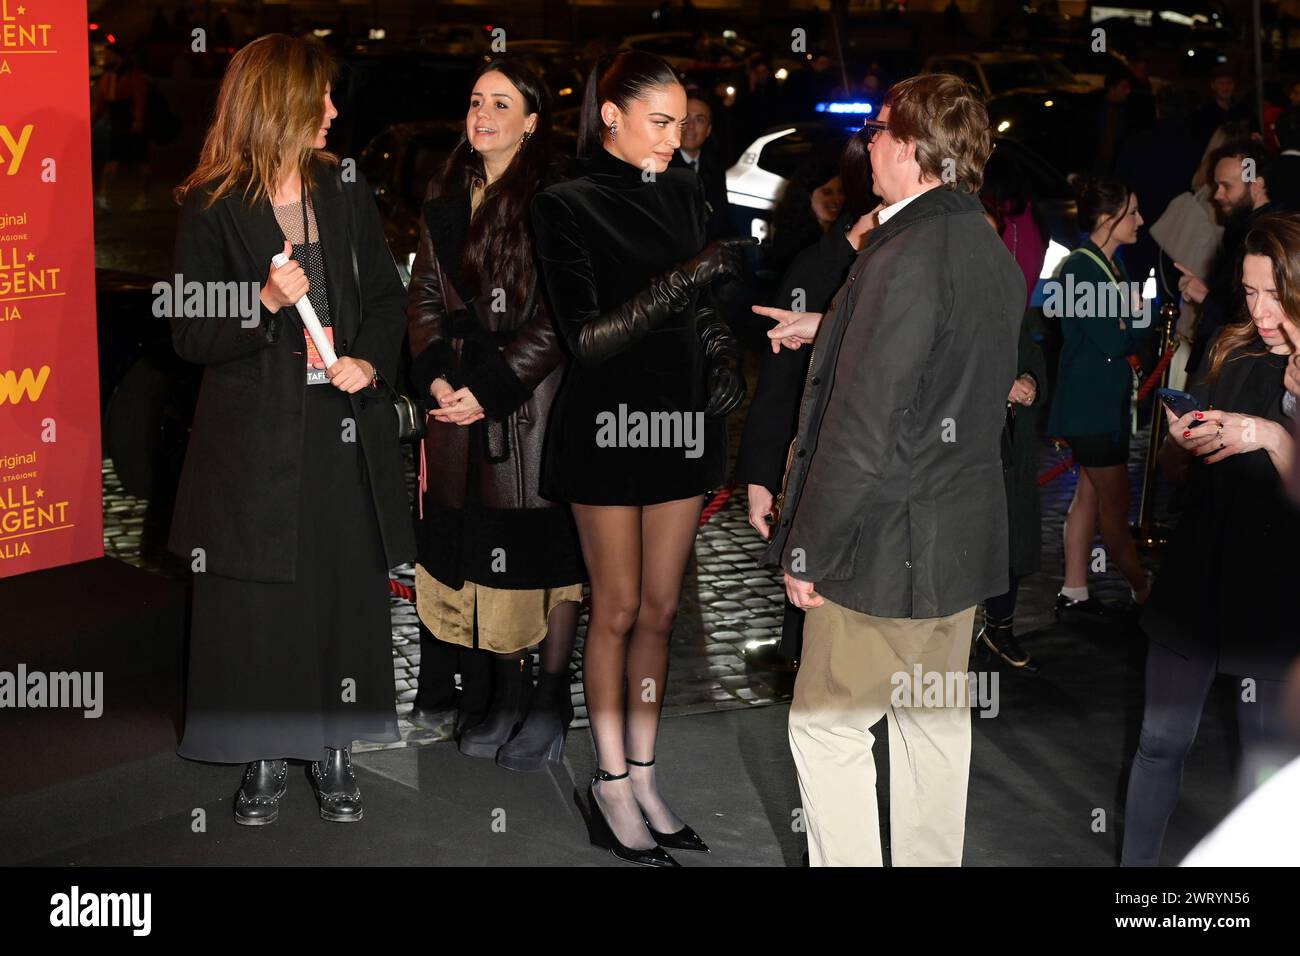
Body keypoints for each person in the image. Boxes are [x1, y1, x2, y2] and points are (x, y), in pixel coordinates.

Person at [760, 73, 1025, 866]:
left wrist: (808, 549)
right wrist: (832, 325)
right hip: (954, 552)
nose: (867, 144)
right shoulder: (986, 246)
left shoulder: (903, 254)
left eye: (877, 131)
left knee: (826, 732)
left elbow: (864, 428)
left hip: (882, 554)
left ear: (911, 150)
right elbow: (940, 370)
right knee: (931, 735)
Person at [170, 34, 415, 824]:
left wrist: (369, 364)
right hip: (251, 442)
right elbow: (188, 331)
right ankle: (266, 754)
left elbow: (383, 296)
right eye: (321, 100)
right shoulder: (211, 203)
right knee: (258, 605)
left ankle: (334, 751)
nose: (335, 112)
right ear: (278, 105)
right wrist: (264, 304)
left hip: (340, 425)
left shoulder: (343, 186)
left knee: (342, 592)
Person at [530, 50, 751, 866]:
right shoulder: (564, 204)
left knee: (662, 612)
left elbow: (700, 309)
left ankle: (647, 776)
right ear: (611, 117)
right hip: (608, 430)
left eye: (682, 120)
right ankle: (611, 782)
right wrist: (689, 275)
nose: (675, 136)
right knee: (616, 608)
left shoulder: (685, 192)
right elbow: (587, 340)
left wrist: (722, 352)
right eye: (659, 121)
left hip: (681, 426)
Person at [405, 59, 586, 772]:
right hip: (459, 411)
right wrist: (441, 379)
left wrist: (491, 385)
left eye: (501, 103)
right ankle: (501, 693)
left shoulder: (556, 198)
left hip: (531, 409)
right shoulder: (446, 193)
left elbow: (556, 317)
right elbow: (422, 298)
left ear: (533, 119)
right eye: (475, 100)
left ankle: (547, 697)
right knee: (478, 554)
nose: (482, 114)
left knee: (548, 560)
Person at [1122, 212, 1300, 866]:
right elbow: (1182, 474)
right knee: (1160, 742)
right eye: (1250, 292)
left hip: (1277, 589)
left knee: (1268, 774)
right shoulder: (1234, 347)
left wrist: (1276, 436)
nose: (1260, 309)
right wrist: (1182, 441)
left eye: (1274, 294)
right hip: (1201, 570)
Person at [739, 129, 879, 663]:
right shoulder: (816, 267)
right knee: (816, 637)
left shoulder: (912, 262)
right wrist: (760, 476)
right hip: (821, 470)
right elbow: (781, 385)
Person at [1047, 176, 1155, 620]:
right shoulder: (1079, 268)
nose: (1140, 220)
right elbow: (1114, 340)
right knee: (1114, 503)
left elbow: (1140, 326)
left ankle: (1074, 592)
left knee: (1089, 498)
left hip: (1103, 407)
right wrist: (1128, 328)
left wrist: (1128, 327)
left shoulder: (1112, 265)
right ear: (1108, 219)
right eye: (1132, 212)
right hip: (1088, 409)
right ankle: (1144, 589)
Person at [974, 151, 1050, 669]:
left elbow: (1032, 353)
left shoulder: (1006, 291)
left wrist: (1027, 381)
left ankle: (1000, 626)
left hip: (1007, 444)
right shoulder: (935, 293)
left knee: (1008, 537)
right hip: (956, 445)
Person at [1177, 139, 1273, 375]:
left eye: (1226, 186)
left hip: (1235, 367)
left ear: (1256, 184)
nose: (1217, 195)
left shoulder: (1267, 236)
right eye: (1216, 186)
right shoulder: (1241, 228)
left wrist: (1206, 296)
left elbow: (1256, 312)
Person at [92, 44, 150, 210]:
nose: (106, 58)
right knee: (112, 160)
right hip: (117, 125)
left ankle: (143, 197)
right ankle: (103, 195)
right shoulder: (107, 77)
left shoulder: (134, 76)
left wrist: (138, 121)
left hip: (132, 124)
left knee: (141, 162)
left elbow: (140, 100)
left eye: (109, 54)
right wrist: (88, 124)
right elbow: (100, 106)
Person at [669, 91, 732, 240]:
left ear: (708, 130)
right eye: (685, 118)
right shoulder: (658, 168)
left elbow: (722, 218)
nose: (690, 126)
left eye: (699, 120)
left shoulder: (716, 168)